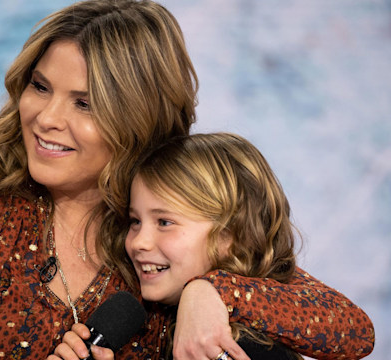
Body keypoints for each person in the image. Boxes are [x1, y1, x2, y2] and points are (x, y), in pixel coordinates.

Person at [0, 1, 374, 359]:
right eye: (40, 87)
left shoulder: (165, 250)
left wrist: (214, 290)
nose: (47, 117)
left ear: (139, 118)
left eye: (84, 102)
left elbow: (349, 331)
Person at [50, 133, 375, 360]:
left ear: (229, 236)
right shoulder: (150, 310)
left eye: (164, 222)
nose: (139, 242)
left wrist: (210, 288)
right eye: (135, 221)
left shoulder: (234, 342)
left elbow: (357, 332)